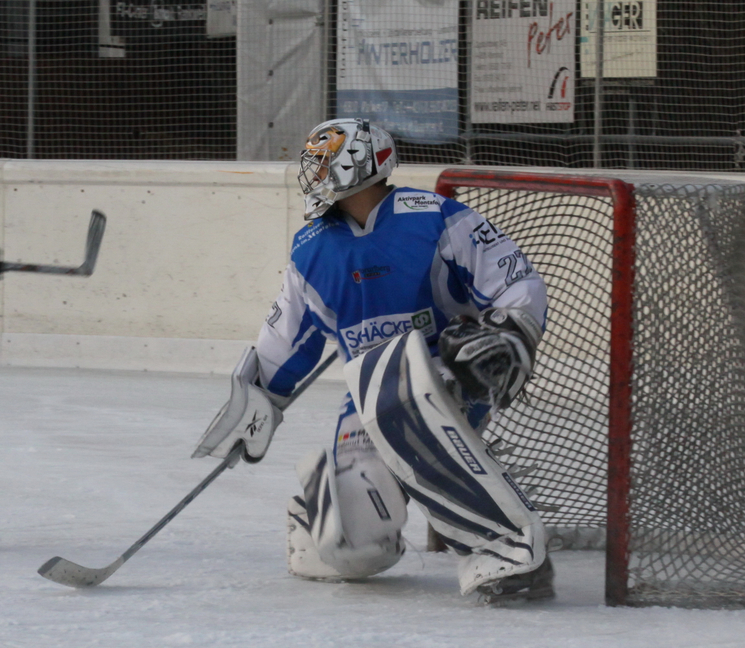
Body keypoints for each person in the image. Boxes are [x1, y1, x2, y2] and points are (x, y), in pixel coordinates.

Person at [191, 117, 552, 603]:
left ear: (360, 167)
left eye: (324, 165)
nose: (314, 175)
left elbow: (517, 282)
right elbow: (285, 338)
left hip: (449, 378)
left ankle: (508, 546)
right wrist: (256, 401)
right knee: (352, 549)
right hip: (368, 392)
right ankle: (316, 511)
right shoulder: (313, 248)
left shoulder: (436, 218)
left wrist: (508, 332)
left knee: (407, 413)